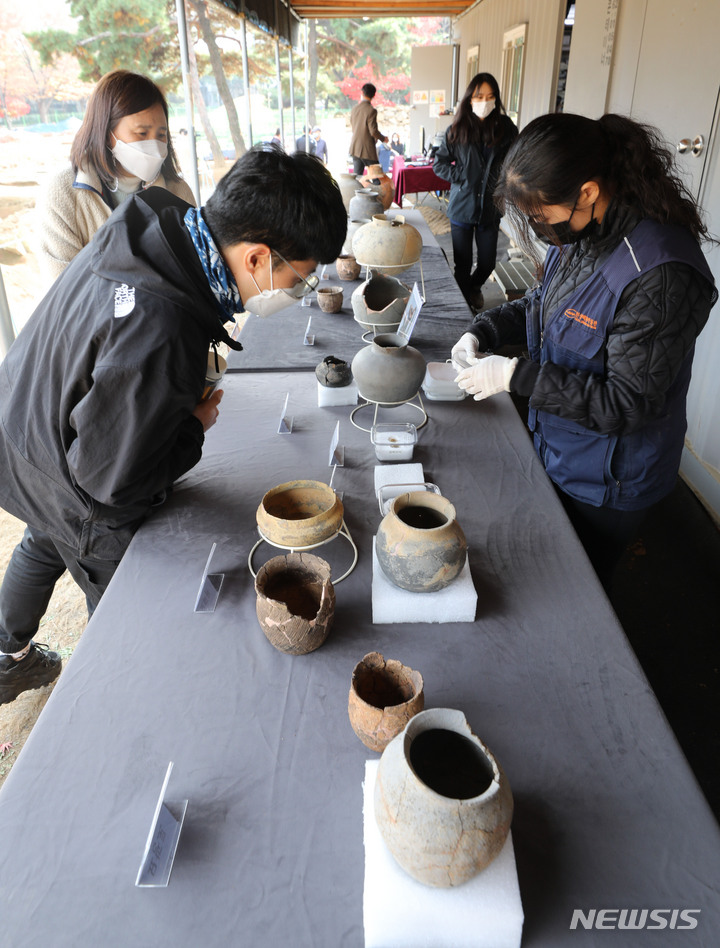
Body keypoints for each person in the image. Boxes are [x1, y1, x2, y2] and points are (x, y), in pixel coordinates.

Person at [0, 147, 347, 706]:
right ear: (257, 258)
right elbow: (110, 485)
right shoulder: (160, 329)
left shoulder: (155, 225)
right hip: (67, 475)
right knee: (129, 612)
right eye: (300, 280)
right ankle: (120, 701)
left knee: (46, 536)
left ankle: (4, 649)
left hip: (27, 419)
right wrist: (191, 425)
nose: (298, 293)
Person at [450, 112, 717, 588]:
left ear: (588, 191)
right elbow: (543, 302)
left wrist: (516, 377)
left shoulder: (660, 273)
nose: (537, 228)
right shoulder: (582, 230)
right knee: (544, 564)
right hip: (562, 444)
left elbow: (627, 402)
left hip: (610, 477)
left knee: (576, 584)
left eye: (538, 216)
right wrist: (484, 330)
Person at [36, 69, 195, 284]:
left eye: (161, 135)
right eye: (141, 133)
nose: (155, 146)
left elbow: (195, 272)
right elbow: (64, 288)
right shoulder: (63, 194)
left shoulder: (178, 191)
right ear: (106, 132)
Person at [433, 73, 518, 313]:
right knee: (463, 264)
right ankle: (465, 308)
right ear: (470, 98)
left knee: (488, 262)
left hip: (490, 209)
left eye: (490, 97)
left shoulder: (507, 129)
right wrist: (460, 175)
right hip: (461, 207)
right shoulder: (457, 129)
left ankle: (471, 289)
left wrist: (505, 184)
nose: (485, 101)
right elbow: (439, 163)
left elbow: (516, 161)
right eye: (479, 96)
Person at [349, 83, 388, 176]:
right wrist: (383, 139)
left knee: (357, 178)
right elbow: (373, 131)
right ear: (374, 95)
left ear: (362, 92)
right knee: (377, 178)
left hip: (355, 148)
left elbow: (354, 126)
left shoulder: (354, 109)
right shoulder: (371, 110)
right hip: (368, 149)